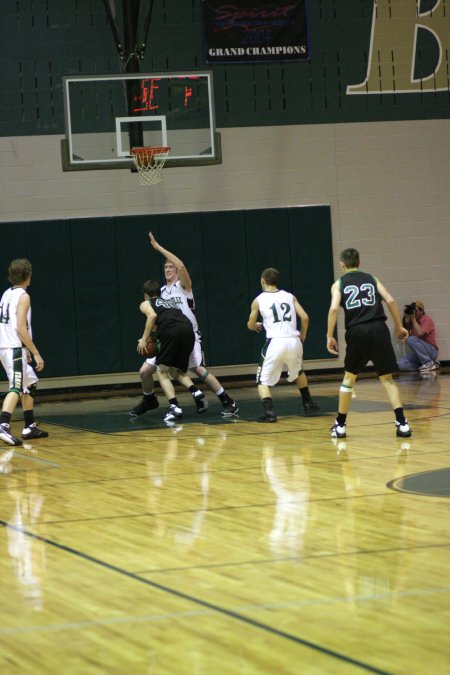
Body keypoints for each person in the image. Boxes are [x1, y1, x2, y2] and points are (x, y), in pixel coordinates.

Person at [130, 232, 238, 418]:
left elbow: (181, 265)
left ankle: (227, 400)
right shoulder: (161, 293)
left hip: (190, 334)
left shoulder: (184, 286)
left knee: (198, 369)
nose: (168, 268)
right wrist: (150, 338)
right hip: (168, 336)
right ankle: (149, 399)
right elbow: (157, 318)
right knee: (145, 371)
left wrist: (159, 248)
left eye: (171, 266)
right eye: (165, 266)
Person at [326, 248, 411, 439]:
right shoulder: (372, 278)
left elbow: (333, 309)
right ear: (359, 263)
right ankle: (403, 423)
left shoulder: (338, 283)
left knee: (349, 379)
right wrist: (399, 327)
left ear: (342, 265)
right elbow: (390, 300)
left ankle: (340, 426)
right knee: (387, 379)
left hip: (356, 330)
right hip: (379, 328)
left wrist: (329, 335)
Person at [247, 267, 320, 423]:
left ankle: (270, 412)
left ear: (263, 281)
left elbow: (251, 324)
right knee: (299, 371)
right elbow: (305, 317)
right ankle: (308, 403)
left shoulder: (259, 300)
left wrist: (255, 325)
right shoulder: (289, 296)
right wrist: (303, 334)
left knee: (262, 381)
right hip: (294, 340)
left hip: (275, 342)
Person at [137, 280, 207, 423]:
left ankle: (174, 407)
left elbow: (152, 316)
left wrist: (144, 339)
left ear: (146, 295)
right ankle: (196, 391)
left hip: (171, 331)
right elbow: (166, 321)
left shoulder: (146, 303)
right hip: (187, 330)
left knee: (161, 371)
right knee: (176, 371)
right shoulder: (168, 302)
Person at [0, 258, 48, 446]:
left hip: (8, 346)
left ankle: (29, 426)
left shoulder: (6, 294)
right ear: (28, 276)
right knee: (17, 385)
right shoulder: (23, 296)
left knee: (30, 382)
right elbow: (21, 327)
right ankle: (3, 424)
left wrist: (24, 347)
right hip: (13, 347)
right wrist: (35, 352)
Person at [398, 300, 439, 372]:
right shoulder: (412, 321)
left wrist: (413, 319)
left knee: (411, 339)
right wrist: (406, 317)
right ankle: (430, 365)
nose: (414, 313)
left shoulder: (427, 319)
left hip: (431, 351)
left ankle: (428, 362)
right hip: (419, 354)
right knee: (402, 364)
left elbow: (420, 333)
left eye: (415, 310)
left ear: (422, 311)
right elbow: (403, 333)